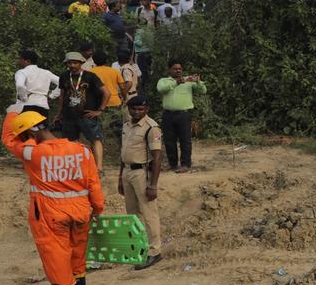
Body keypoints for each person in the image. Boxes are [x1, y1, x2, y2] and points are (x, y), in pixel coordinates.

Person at [1, 104, 104, 285]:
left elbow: (9, 141)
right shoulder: (82, 150)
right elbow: (93, 184)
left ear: (30, 134)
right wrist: (98, 210)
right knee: (77, 259)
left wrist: (11, 113)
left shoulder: (32, 153)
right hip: (81, 213)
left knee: (57, 263)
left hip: (51, 216)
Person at [119, 95, 164, 269]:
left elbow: (158, 157)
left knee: (149, 212)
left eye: (140, 109)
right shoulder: (127, 125)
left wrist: (153, 185)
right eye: (134, 109)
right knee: (132, 213)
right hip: (127, 172)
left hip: (141, 173)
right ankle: (139, 247)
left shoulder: (151, 128)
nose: (137, 112)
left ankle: (155, 252)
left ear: (146, 110)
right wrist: (120, 178)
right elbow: (123, 153)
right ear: (129, 109)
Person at [56, 51, 109, 169]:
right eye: (70, 63)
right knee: (71, 143)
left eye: (75, 63)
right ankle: (74, 167)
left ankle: (99, 167)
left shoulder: (90, 76)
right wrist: (59, 113)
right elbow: (62, 95)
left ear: (81, 63)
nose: (72, 66)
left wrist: (100, 110)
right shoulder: (64, 76)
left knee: (95, 139)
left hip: (87, 115)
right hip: (69, 115)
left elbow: (106, 93)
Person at [156, 59, 206, 173]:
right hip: (168, 115)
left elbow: (203, 91)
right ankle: (172, 164)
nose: (178, 71)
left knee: (185, 140)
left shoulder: (188, 81)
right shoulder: (164, 81)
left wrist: (198, 81)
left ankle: (185, 164)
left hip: (184, 115)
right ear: (169, 70)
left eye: (180, 69)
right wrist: (177, 82)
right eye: (175, 68)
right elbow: (161, 89)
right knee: (169, 141)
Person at [89, 49, 125, 135]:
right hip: (115, 102)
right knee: (118, 128)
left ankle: (102, 146)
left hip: (99, 103)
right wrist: (124, 98)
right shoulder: (114, 71)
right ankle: (121, 146)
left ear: (93, 60)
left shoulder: (90, 72)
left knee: (101, 129)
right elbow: (122, 87)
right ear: (106, 60)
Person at [15, 49, 60, 115]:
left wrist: (23, 98)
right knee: (42, 125)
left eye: (20, 59)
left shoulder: (22, 72)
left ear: (27, 61)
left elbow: (19, 85)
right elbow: (62, 81)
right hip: (43, 106)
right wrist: (52, 95)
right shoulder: (46, 72)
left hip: (27, 106)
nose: (19, 61)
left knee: (26, 125)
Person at [116, 49, 142, 121]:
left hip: (128, 95)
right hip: (132, 94)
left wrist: (124, 95)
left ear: (118, 60)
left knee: (128, 118)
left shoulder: (126, 69)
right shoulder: (131, 67)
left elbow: (129, 83)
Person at [133, 24, 153, 93]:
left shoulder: (139, 32)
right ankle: (148, 85)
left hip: (141, 53)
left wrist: (134, 41)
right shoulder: (149, 31)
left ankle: (143, 87)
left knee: (142, 71)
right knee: (148, 69)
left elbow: (139, 43)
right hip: (149, 52)